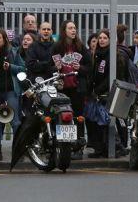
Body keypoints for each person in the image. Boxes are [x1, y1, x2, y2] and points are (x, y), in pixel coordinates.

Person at [87, 29, 131, 158]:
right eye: (100, 38)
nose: (101, 40)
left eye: (105, 38)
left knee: (109, 122)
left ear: (110, 40)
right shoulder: (97, 54)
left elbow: (113, 76)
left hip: (109, 93)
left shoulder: (114, 55)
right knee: (98, 122)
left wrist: (99, 90)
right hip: (98, 94)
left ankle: (117, 147)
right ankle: (100, 148)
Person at [51, 20, 91, 159]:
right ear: (64, 30)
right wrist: (55, 68)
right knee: (64, 117)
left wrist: (80, 68)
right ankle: (65, 148)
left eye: (74, 28)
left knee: (79, 117)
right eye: (70, 28)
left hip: (77, 88)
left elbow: (89, 67)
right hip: (62, 88)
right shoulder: (56, 47)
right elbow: (49, 66)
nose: (73, 30)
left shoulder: (80, 47)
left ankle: (78, 147)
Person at [0, 29, 25, 161]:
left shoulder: (13, 51)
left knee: (15, 121)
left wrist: (11, 67)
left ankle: (19, 149)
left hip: (11, 90)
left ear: (5, 39)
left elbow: (23, 68)